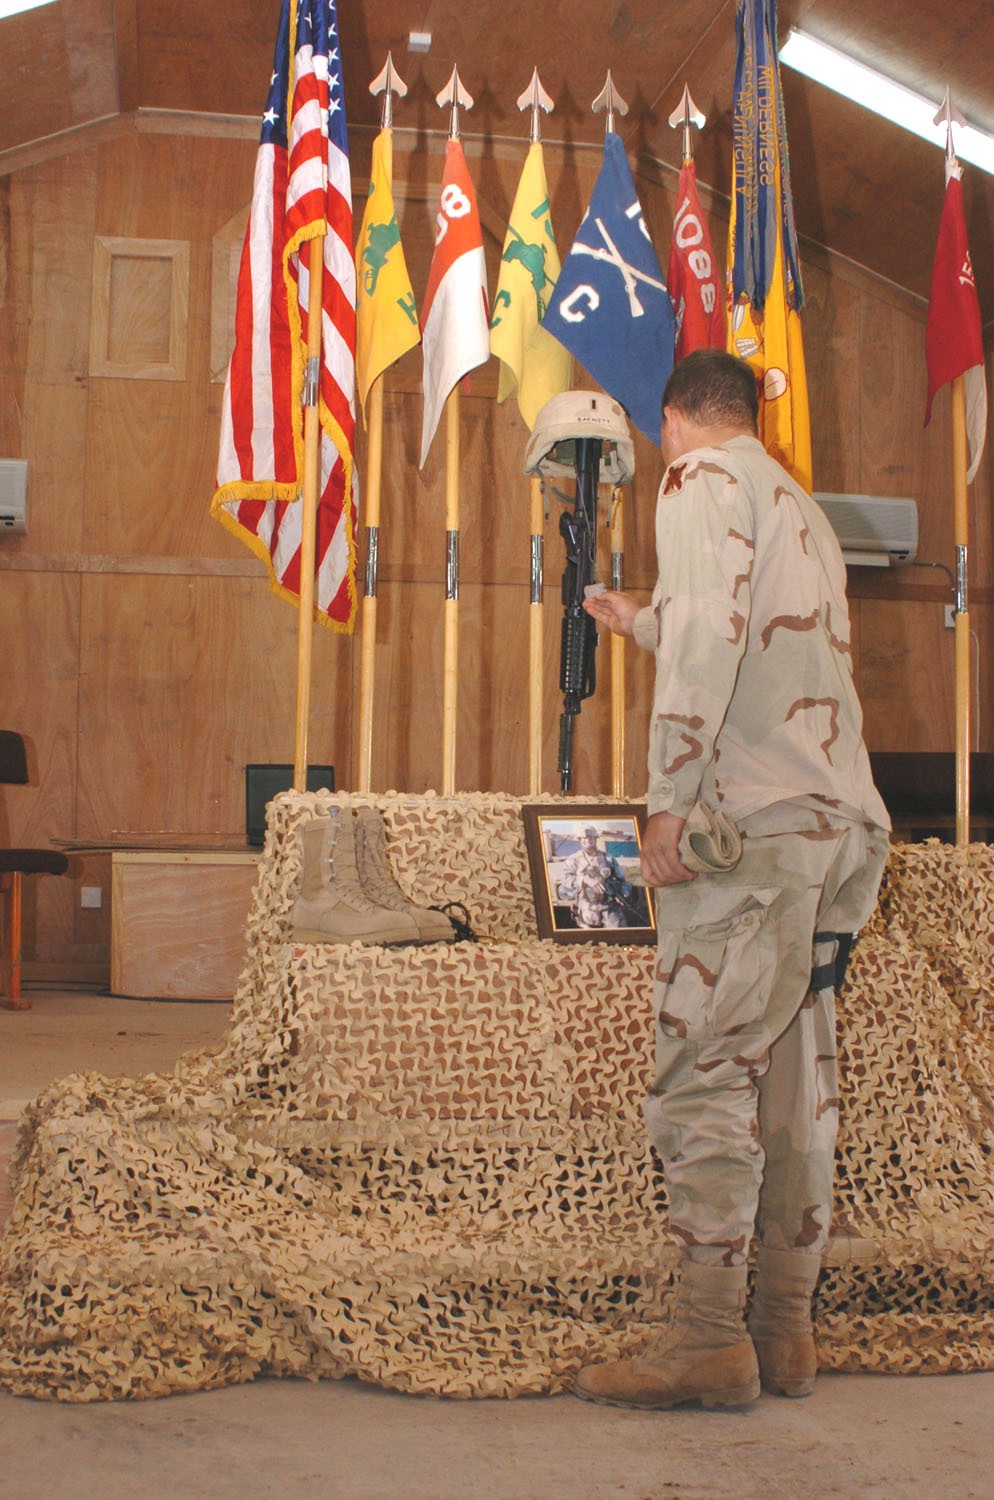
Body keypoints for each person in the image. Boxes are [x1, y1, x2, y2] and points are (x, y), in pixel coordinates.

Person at [574, 347, 890, 1410]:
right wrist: (642, 620)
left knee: (704, 1072)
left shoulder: (696, 481)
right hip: (831, 823)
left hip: (747, 823)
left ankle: (706, 1342)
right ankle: (783, 1332)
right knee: (796, 1077)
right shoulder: (792, 499)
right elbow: (755, 636)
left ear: (674, 421)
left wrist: (666, 797)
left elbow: (712, 640)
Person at [556, 826, 631, 928]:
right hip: (587, 907)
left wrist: (623, 894)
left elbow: (622, 880)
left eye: (591, 837)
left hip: (609, 907)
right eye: (584, 838)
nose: (588, 840)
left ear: (595, 839)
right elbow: (565, 878)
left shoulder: (608, 858)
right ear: (580, 840)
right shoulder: (573, 860)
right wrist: (584, 880)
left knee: (620, 936)